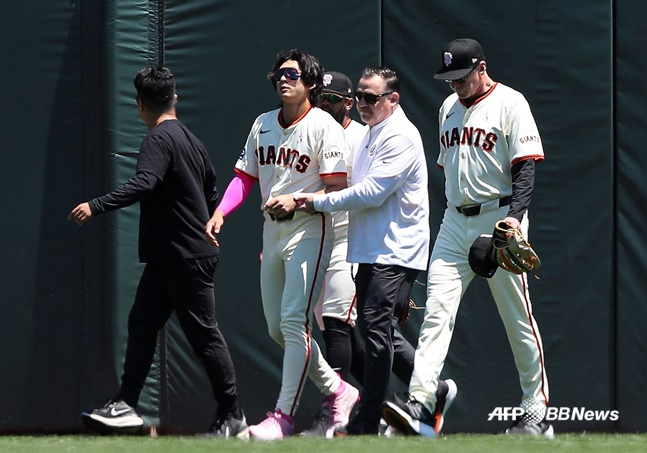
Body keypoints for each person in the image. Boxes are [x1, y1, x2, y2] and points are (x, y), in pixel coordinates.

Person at [381, 38, 551, 438]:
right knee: (436, 313)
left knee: (517, 319)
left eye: (461, 77)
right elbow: (451, 171)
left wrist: (512, 222)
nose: (455, 84)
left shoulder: (510, 102)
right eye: (449, 78)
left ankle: (536, 411)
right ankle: (421, 403)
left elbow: (525, 168)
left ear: (482, 68)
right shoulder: (448, 107)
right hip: (455, 221)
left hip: (500, 217)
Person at [69, 67, 247, 437]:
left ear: (139, 106)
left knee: (203, 336)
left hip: (185, 257)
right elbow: (212, 193)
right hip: (172, 256)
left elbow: (146, 182)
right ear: (174, 98)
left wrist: (96, 205)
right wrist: (206, 222)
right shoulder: (192, 141)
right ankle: (127, 404)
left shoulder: (158, 140)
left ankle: (232, 415)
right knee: (142, 324)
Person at [204, 49, 360, 441]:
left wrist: (299, 200)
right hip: (272, 231)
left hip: (310, 227)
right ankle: (339, 390)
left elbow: (338, 188)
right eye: (280, 74)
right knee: (278, 329)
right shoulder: (263, 123)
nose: (283, 79)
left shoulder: (324, 126)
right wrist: (221, 211)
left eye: (292, 74)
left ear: (311, 83)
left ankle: (282, 417)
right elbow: (245, 177)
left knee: (293, 323)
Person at [294, 66, 430, 435]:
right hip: (370, 250)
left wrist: (314, 202)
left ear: (393, 99)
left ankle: (368, 419)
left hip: (394, 250)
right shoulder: (372, 132)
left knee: (374, 328)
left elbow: (371, 193)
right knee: (378, 328)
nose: (363, 103)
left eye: (370, 97)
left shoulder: (400, 135)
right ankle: (431, 393)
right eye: (360, 96)